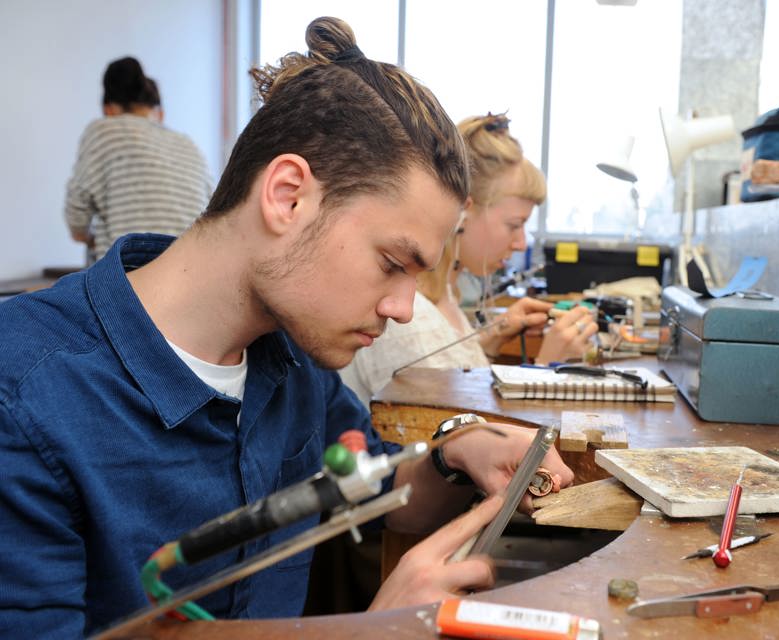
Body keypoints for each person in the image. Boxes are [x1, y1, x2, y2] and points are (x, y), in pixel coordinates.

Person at [0, 18, 572, 637]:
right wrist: (364, 632)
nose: (405, 309)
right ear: (288, 196)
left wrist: (455, 454)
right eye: (390, 264)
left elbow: (377, 489)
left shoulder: (291, 359)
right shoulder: (25, 396)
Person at [340, 113, 599, 406]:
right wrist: (545, 368)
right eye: (515, 225)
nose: (521, 243)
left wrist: (491, 341)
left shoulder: (444, 295)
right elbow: (452, 439)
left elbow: (456, 383)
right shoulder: (408, 317)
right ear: (464, 211)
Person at [64, 56, 212, 261]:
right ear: (159, 112)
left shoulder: (103, 131)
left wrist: (88, 238)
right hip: (193, 271)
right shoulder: (189, 144)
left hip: (132, 279)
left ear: (108, 109)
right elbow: (212, 212)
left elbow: (77, 217)